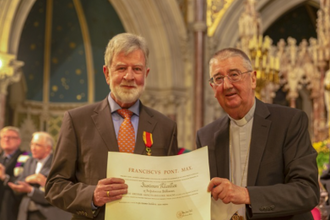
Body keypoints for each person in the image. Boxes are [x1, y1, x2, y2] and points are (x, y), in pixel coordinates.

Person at [45, 33, 178, 220]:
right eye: (121, 68)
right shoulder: (77, 121)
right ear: (107, 73)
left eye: (137, 69)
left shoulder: (165, 127)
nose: (129, 76)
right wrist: (92, 195)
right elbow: (54, 186)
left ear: (146, 74)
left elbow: (171, 188)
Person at [196, 48, 319, 220]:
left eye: (234, 74)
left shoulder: (289, 122)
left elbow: (306, 191)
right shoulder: (206, 136)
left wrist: (247, 195)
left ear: (253, 79)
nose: (227, 85)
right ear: (212, 87)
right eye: (218, 79)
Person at [8, 131, 71, 220]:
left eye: (37, 145)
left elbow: (58, 193)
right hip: (26, 212)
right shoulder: (29, 161)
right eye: (32, 144)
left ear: (48, 148)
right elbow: (19, 181)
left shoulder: (57, 164)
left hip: (48, 213)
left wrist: (31, 190)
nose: (33, 148)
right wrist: (28, 179)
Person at [0, 126, 29, 220]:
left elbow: (24, 182)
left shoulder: (26, 158)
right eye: (3, 137)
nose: (6, 139)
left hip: (12, 206)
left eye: (10, 137)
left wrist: (5, 177)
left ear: (19, 141)